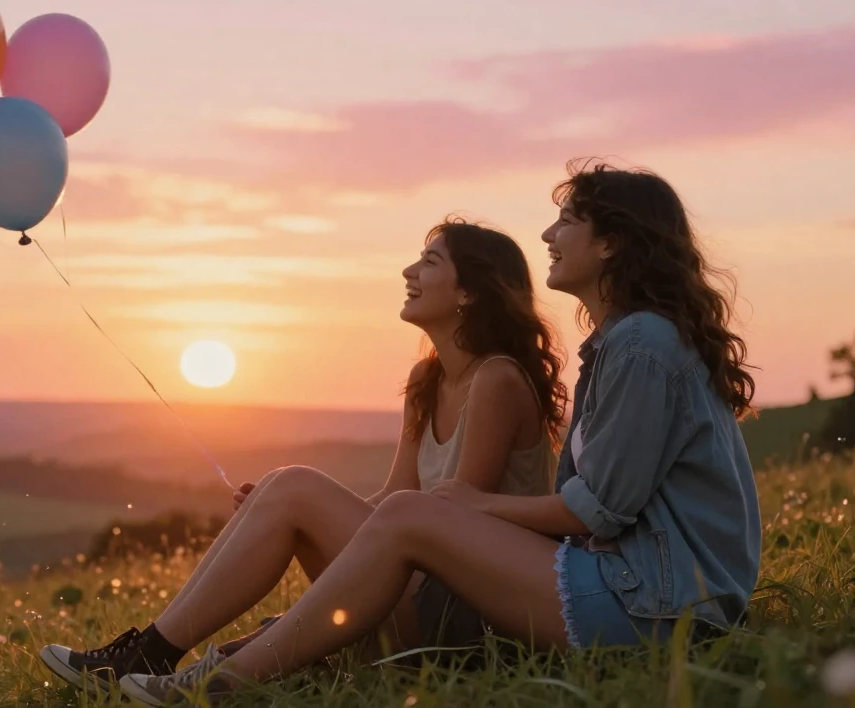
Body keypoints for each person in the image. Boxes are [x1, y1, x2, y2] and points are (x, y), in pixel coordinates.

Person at [118, 160, 763, 706]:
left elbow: (599, 509)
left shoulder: (640, 347)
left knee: (397, 514)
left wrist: (474, 504)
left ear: (612, 244)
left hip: (659, 606)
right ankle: (216, 660)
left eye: (568, 221)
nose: (548, 233)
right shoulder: (619, 346)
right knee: (313, 495)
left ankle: (216, 682)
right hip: (635, 589)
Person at [39, 218, 567, 692]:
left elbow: (454, 526)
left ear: (471, 293)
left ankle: (158, 654)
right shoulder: (427, 379)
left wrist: (301, 508)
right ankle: (159, 650)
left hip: (464, 618)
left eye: (429, 262)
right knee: (282, 489)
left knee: (294, 488)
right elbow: (397, 500)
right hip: (412, 590)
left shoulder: (496, 379)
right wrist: (279, 512)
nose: (408, 271)